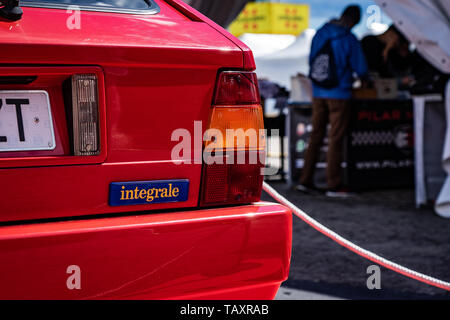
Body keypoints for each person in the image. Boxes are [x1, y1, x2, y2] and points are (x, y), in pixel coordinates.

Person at [297, 5, 368, 197]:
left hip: (318, 92)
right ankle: (333, 184)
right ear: (354, 20)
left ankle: (305, 180)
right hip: (339, 94)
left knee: (316, 137)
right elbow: (361, 68)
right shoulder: (348, 38)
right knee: (335, 139)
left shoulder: (321, 32)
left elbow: (312, 62)